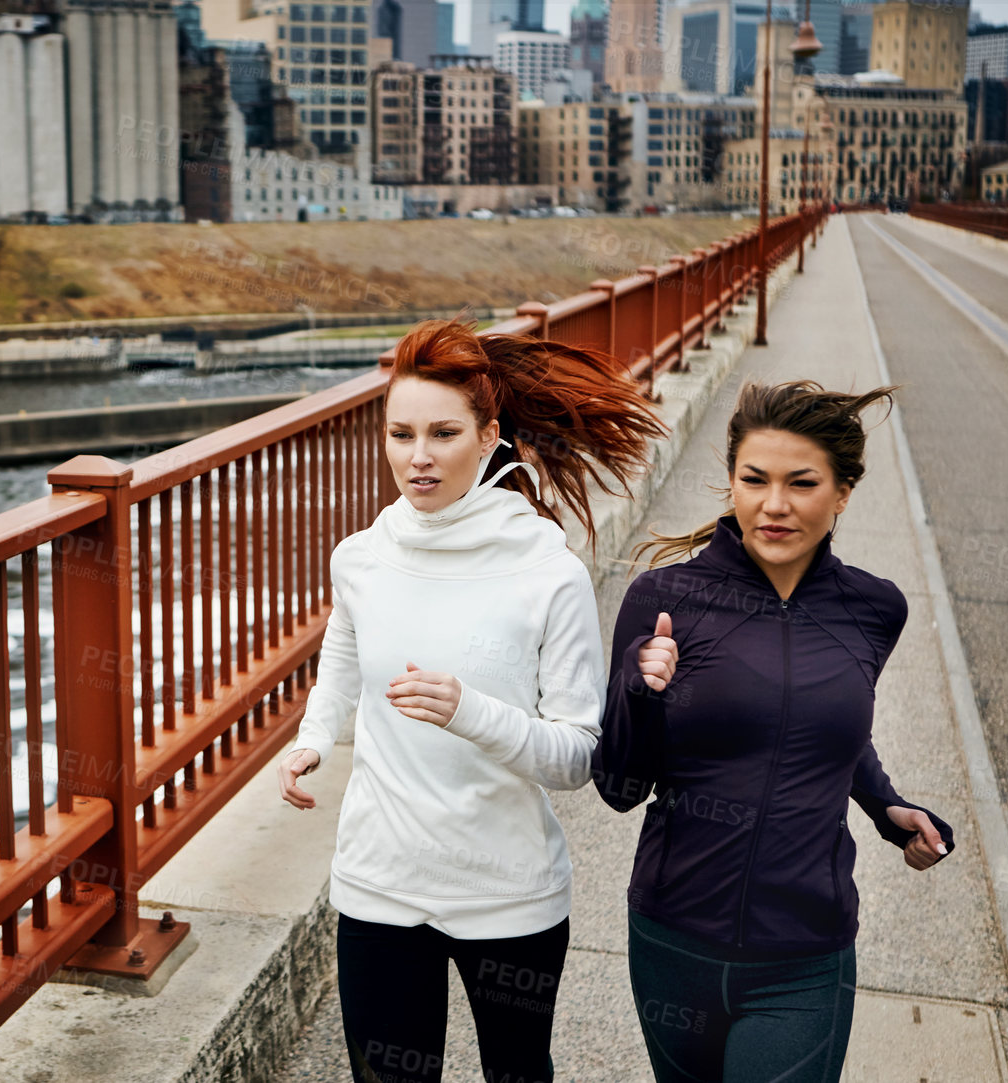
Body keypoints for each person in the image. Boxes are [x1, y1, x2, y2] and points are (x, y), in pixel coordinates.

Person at [277, 317, 665, 1083]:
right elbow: (345, 655)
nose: (416, 457)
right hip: (380, 884)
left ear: (490, 436)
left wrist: (469, 712)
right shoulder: (361, 558)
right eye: (399, 433)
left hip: (507, 893)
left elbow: (575, 756)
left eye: (443, 433)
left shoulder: (546, 573)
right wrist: (314, 736)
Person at [592, 380, 955, 1082]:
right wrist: (640, 691)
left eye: (802, 482)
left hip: (805, 956)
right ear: (731, 480)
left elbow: (826, 724)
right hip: (675, 944)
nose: (775, 504)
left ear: (843, 491)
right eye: (754, 479)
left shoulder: (874, 609)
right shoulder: (664, 601)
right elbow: (617, 786)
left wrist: (885, 805)